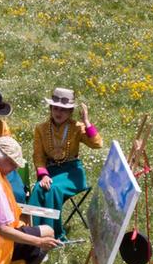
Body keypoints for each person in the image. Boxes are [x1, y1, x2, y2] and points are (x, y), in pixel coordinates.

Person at [28, 88, 103, 239]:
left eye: (63, 110)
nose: (59, 113)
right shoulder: (41, 129)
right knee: (38, 189)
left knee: (53, 189)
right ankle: (33, 231)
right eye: (55, 108)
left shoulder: (77, 127)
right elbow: (38, 155)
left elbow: (97, 144)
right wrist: (43, 175)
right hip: (50, 170)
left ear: (70, 112)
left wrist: (86, 122)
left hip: (71, 172)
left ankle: (52, 233)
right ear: (50, 108)